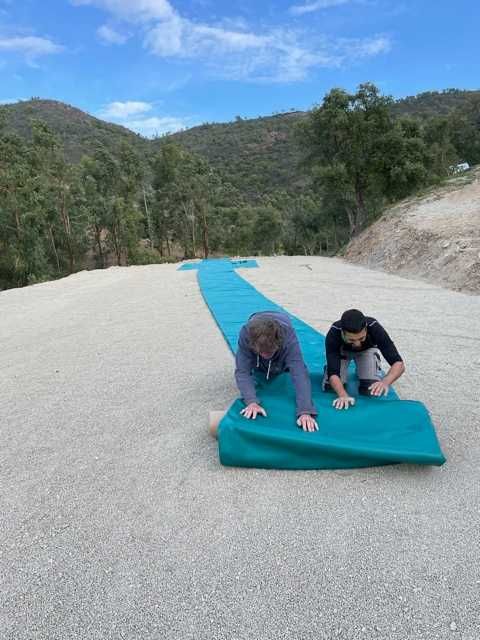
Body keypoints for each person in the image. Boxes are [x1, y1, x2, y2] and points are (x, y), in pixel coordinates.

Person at [234, 310, 318, 432]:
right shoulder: (246, 335)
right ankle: (263, 356)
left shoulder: (288, 337)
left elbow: (299, 372)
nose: (265, 355)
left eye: (269, 351)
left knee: (284, 369)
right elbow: (242, 371)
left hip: (282, 321)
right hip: (256, 320)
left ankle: (274, 358)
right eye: (261, 352)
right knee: (255, 365)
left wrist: (305, 410)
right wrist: (251, 401)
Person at [323, 309, 405, 410]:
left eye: (361, 338)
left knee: (372, 390)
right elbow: (333, 373)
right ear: (342, 333)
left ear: (366, 329)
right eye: (351, 340)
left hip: (367, 350)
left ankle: (363, 369)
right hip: (342, 352)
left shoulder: (374, 327)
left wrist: (385, 382)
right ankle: (329, 368)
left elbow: (398, 363)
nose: (357, 344)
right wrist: (343, 395)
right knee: (331, 388)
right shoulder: (334, 333)